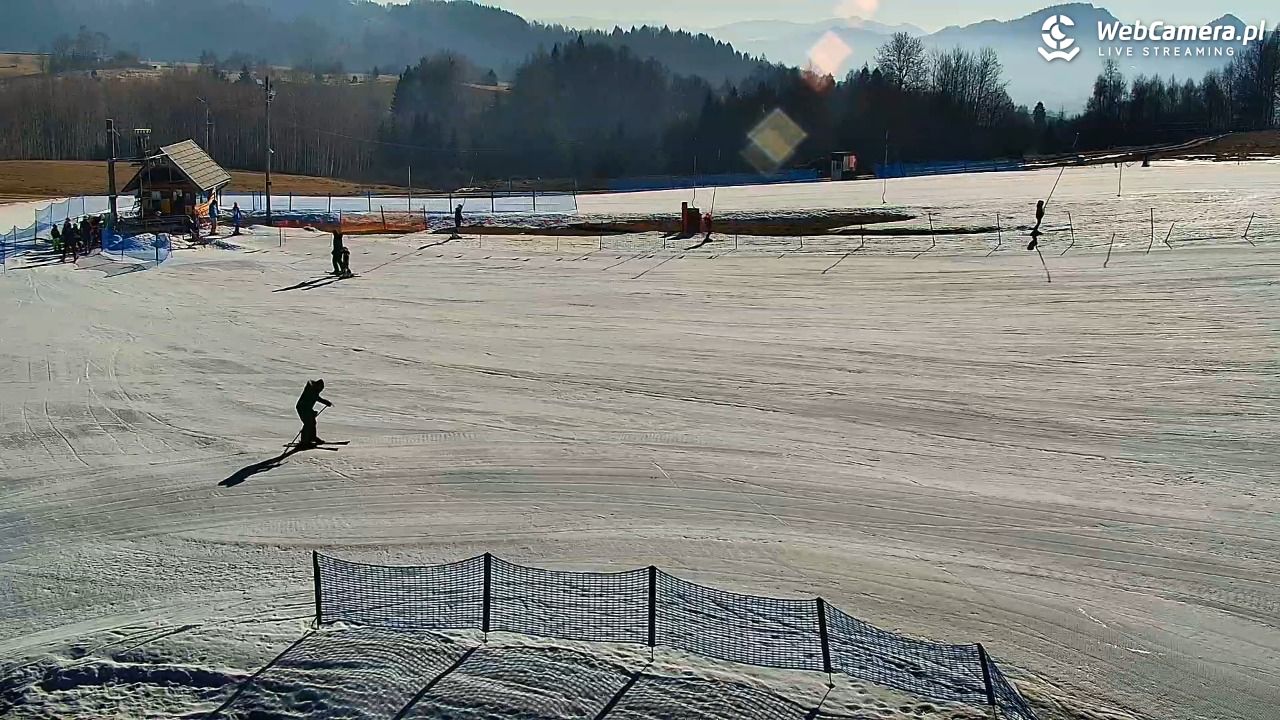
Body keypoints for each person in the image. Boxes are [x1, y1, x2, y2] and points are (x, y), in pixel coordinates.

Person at [295, 379, 333, 447]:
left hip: (306, 409)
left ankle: (312, 438)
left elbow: (317, 398)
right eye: (320, 388)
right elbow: (306, 404)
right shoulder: (310, 391)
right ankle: (304, 441)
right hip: (302, 408)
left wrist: (326, 402)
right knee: (308, 423)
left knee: (312, 422)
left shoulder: (313, 390)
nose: (320, 390)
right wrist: (312, 412)